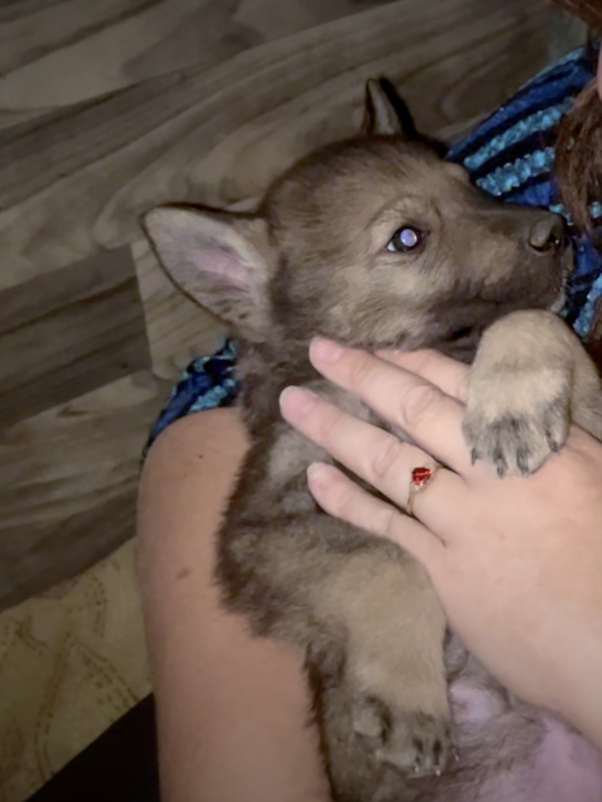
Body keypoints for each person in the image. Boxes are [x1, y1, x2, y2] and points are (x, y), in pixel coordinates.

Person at [137, 35, 602, 802]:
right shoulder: (309, 408)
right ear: (245, 289)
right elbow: (262, 548)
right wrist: (388, 601)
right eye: (410, 237)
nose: (526, 220)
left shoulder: (504, 337)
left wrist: (533, 341)